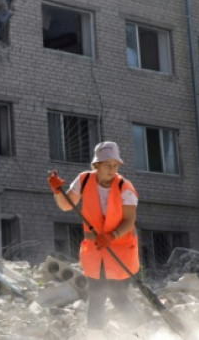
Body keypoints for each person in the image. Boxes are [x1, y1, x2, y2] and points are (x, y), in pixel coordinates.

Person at [48, 141, 141, 330]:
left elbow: (129, 221)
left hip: (120, 249)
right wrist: (57, 191)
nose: (112, 169)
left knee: (118, 296)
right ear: (96, 165)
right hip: (95, 250)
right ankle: (94, 335)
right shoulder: (84, 180)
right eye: (107, 165)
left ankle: (140, 331)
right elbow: (66, 205)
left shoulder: (125, 187)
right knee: (96, 295)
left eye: (115, 165)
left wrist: (112, 235)